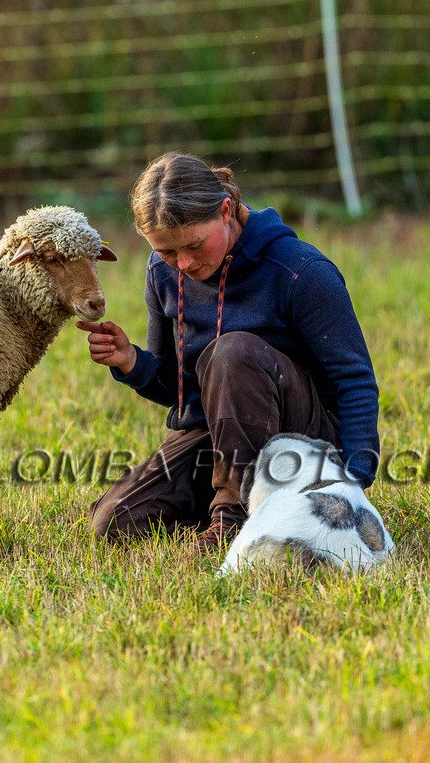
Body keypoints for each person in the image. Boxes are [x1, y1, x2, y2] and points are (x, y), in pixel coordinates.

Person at [79, 152, 381, 550]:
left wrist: (355, 481)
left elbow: (355, 381)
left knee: (231, 352)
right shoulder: (162, 273)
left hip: (307, 442)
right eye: (168, 252)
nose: (182, 263)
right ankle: (250, 503)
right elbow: (178, 389)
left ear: (226, 210)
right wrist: (131, 362)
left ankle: (233, 518)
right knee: (115, 523)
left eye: (194, 245)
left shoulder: (300, 271)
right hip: (217, 432)